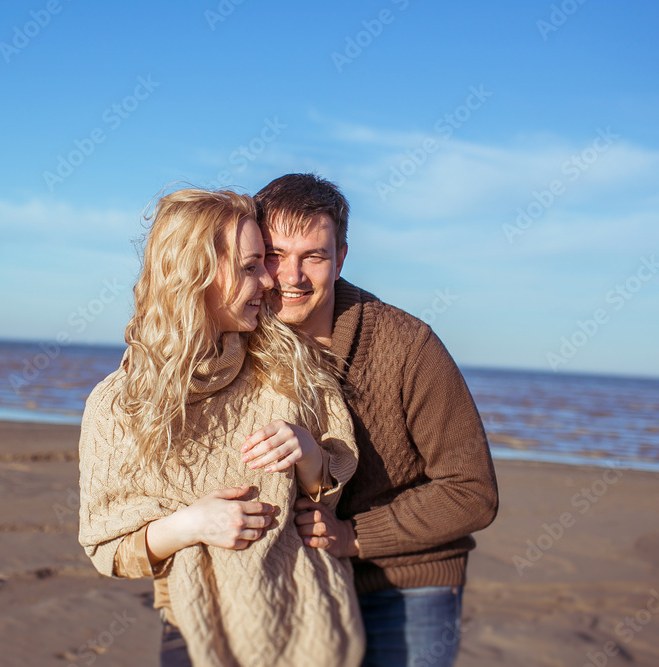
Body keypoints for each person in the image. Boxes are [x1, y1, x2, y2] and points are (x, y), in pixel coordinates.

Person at [78, 188, 366, 666]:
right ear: (196, 275)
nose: (270, 281)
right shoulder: (121, 403)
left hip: (310, 630)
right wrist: (191, 524)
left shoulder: (287, 364)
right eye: (251, 267)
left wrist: (310, 453)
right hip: (193, 634)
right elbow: (108, 549)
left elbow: (328, 495)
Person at [253, 173, 499, 666]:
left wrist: (354, 536)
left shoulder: (407, 345)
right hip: (289, 584)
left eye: (314, 257)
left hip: (402, 585)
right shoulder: (240, 341)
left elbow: (471, 491)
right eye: (276, 255)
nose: (292, 276)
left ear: (341, 258)